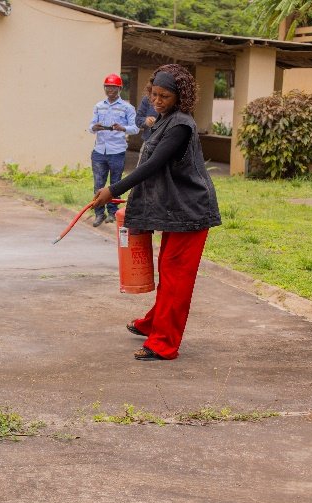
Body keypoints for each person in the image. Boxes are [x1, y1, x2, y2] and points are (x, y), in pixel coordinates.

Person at [92, 64, 221, 362]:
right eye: (154, 94)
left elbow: (153, 165)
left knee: (176, 277)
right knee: (168, 268)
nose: (157, 101)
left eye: (165, 96)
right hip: (177, 208)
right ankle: (154, 323)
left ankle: (163, 343)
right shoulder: (164, 119)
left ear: (180, 97)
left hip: (192, 210)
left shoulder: (180, 125)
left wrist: (113, 189)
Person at [88, 73, 139, 227]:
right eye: (107, 87)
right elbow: (90, 127)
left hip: (117, 152)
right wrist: (95, 127)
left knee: (115, 183)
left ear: (120, 88)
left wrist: (123, 128)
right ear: (104, 88)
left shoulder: (127, 108)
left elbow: (135, 128)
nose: (110, 90)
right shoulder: (99, 106)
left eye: (113, 87)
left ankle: (112, 212)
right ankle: (99, 213)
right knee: (98, 184)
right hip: (99, 151)